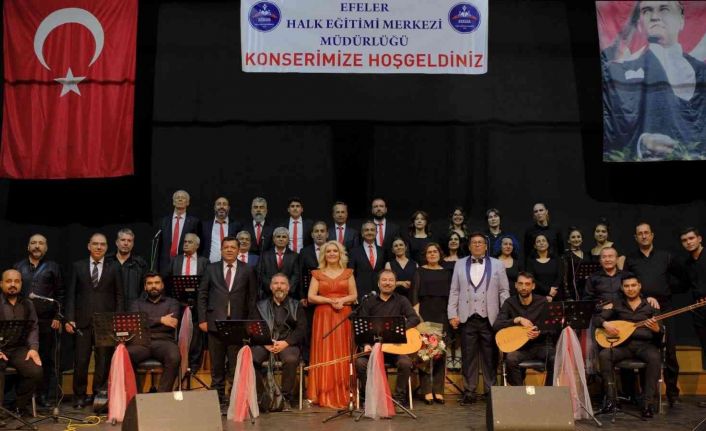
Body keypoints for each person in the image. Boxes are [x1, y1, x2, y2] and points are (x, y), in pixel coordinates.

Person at [601, 1, 706, 160]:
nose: (655, 17)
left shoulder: (702, 71)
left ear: (681, 20)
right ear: (640, 25)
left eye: (664, 9)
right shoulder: (617, 73)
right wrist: (641, 144)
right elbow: (612, 129)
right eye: (647, 11)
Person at [624, 221, 685, 406]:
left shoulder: (666, 256)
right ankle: (645, 395)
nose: (644, 236)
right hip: (643, 310)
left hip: (665, 309)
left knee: (670, 352)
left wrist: (665, 291)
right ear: (635, 237)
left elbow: (683, 279)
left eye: (646, 233)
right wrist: (645, 298)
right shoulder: (631, 259)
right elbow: (627, 284)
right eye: (640, 233)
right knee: (647, 349)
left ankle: (672, 393)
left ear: (652, 235)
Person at [448, 232, 510, 405]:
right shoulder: (459, 264)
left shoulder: (498, 264)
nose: (477, 245)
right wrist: (452, 314)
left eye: (480, 242)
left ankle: (491, 392)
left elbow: (504, 291)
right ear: (469, 246)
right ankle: (470, 391)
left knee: (490, 357)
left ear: (485, 246)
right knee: (468, 357)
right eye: (474, 242)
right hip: (467, 317)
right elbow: (454, 291)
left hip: (490, 318)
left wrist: (504, 316)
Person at [65, 233, 124, 408]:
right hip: (82, 322)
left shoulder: (114, 267)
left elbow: (120, 296)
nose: (99, 247)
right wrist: (69, 318)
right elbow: (71, 295)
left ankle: (99, 394)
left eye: (102, 244)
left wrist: (117, 321)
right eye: (95, 244)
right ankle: (79, 396)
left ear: (106, 247)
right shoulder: (78, 266)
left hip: (106, 323)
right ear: (89, 246)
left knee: (103, 361)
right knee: (81, 360)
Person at [197, 236, 257, 405]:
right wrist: (202, 319)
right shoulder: (211, 268)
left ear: (239, 250)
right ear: (221, 250)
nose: (229, 250)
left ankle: (234, 398)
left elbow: (252, 298)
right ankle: (217, 399)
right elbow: (202, 295)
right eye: (226, 247)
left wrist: (249, 323)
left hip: (237, 325)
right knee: (216, 365)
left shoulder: (248, 270)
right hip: (214, 323)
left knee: (234, 364)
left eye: (233, 247)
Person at [594, 273, 661, 419]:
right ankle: (612, 401)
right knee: (605, 355)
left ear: (639, 286)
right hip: (624, 346)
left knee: (655, 357)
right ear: (622, 288)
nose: (630, 289)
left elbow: (661, 330)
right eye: (626, 286)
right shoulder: (617, 304)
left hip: (645, 346)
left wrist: (657, 329)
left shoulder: (650, 305)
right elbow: (597, 318)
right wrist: (605, 324)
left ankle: (647, 404)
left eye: (633, 285)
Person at [356, 269, 420, 407]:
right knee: (360, 363)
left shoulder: (402, 300)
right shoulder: (369, 302)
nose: (387, 283)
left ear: (395, 283)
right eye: (384, 280)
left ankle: (399, 398)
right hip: (374, 348)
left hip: (395, 348)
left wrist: (399, 329)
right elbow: (362, 326)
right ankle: (368, 397)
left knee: (405, 363)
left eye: (391, 280)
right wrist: (366, 344)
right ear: (378, 283)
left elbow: (414, 318)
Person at [13, 234, 63, 407]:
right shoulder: (18, 267)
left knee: (46, 360)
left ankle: (43, 395)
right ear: (28, 247)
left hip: (47, 321)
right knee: (24, 359)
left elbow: (60, 293)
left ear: (45, 248)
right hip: (23, 323)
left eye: (41, 243)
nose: (37, 246)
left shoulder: (53, 267)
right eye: (33, 243)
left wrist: (57, 316)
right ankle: (23, 397)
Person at [307, 240, 358, 409]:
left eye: (335, 251)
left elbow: (354, 295)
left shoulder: (348, 272)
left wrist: (342, 301)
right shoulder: (317, 273)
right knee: (325, 352)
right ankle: (324, 393)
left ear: (340, 254)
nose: (331, 254)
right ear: (324, 255)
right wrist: (330, 301)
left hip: (343, 315)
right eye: (328, 251)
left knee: (342, 351)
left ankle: (344, 392)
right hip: (323, 317)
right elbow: (311, 297)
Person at [251, 273, 307, 411]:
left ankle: (285, 398)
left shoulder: (296, 305)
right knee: (251, 358)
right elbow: (253, 327)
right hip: (266, 343)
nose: (279, 286)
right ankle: (262, 398)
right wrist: (265, 342)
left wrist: (286, 342)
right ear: (271, 287)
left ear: (288, 288)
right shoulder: (260, 305)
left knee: (290, 359)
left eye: (283, 283)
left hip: (287, 343)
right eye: (276, 283)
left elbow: (302, 329)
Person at [494, 272, 554, 386]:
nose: (524, 287)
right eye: (520, 284)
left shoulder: (542, 302)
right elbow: (497, 325)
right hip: (519, 349)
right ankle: (520, 392)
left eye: (527, 284)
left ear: (533, 286)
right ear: (516, 285)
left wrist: (540, 332)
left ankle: (548, 391)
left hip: (540, 346)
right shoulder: (510, 303)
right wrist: (516, 320)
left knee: (554, 358)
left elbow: (553, 328)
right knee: (511, 359)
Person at [126, 272, 181, 393]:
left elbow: (173, 322)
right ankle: (137, 396)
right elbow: (136, 322)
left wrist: (145, 320)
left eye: (157, 283)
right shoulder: (136, 303)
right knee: (125, 355)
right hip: (141, 342)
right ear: (145, 287)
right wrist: (161, 320)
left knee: (174, 357)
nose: (153, 286)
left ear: (162, 285)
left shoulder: (172, 302)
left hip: (164, 341)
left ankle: (161, 397)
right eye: (150, 283)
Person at [411, 243, 451, 404]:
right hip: (425, 315)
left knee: (441, 353)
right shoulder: (419, 271)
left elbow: (451, 296)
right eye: (429, 252)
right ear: (425, 255)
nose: (432, 254)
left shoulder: (447, 272)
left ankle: (439, 391)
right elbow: (414, 295)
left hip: (443, 315)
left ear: (440, 254)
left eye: (435, 251)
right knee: (425, 354)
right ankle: (427, 391)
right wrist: (417, 318)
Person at [0, 270, 43, 417]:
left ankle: (19, 406)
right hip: (0, 350)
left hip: (18, 348)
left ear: (21, 284)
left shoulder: (28, 304)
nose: (13, 284)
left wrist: (33, 348)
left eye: (16, 281)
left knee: (35, 371)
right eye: (8, 281)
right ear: (1, 284)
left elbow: (33, 327)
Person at [164, 232, 208, 372]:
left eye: (190, 242)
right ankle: (178, 363)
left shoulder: (204, 262)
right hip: (179, 302)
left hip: (197, 302)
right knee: (177, 333)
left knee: (196, 335)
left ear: (197, 245)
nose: (186, 244)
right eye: (185, 242)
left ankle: (194, 365)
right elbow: (167, 280)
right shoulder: (175, 260)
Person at [679, 227, 706, 406]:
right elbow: (684, 286)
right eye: (684, 240)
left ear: (699, 238)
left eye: (691, 238)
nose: (688, 242)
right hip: (700, 311)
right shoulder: (688, 263)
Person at [157, 190, 201, 272]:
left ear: (188, 202)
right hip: (164, 264)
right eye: (177, 198)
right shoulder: (163, 221)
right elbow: (158, 246)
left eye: (183, 198)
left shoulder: (194, 222)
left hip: (184, 263)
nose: (180, 199)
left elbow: (197, 245)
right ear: (173, 202)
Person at [257, 228, 301, 300]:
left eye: (284, 237)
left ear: (288, 240)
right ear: (273, 239)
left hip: (288, 296)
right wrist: (273, 288)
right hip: (268, 295)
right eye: (278, 236)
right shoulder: (264, 255)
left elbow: (296, 275)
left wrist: (286, 289)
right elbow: (261, 274)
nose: (281, 239)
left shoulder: (295, 256)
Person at [109, 228, 148, 306]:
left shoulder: (141, 264)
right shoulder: (107, 262)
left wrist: (139, 305)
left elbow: (145, 289)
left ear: (133, 244)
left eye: (129, 241)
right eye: (123, 240)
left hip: (134, 308)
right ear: (117, 242)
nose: (126, 243)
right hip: (110, 308)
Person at [348, 221, 386, 301]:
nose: (369, 232)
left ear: (376, 233)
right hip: (360, 294)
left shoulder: (383, 251)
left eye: (372, 230)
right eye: (366, 230)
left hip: (380, 294)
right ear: (362, 233)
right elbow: (351, 274)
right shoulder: (353, 252)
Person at [201, 197, 242, 263]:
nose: (221, 206)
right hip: (209, 265)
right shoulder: (205, 226)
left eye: (224, 204)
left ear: (228, 208)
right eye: (219, 204)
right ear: (214, 207)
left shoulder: (236, 226)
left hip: (230, 264)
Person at [525, 234, 564, 302]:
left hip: (556, 295)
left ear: (548, 244)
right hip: (538, 297)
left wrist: (552, 293)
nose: (541, 243)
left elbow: (560, 276)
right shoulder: (530, 261)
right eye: (538, 241)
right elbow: (532, 279)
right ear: (535, 246)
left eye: (543, 240)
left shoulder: (556, 259)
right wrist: (548, 290)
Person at [562, 226, 588, 300]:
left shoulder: (587, 255)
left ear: (582, 239)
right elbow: (564, 277)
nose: (576, 239)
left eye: (578, 237)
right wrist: (567, 295)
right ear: (568, 240)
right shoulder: (566, 255)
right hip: (572, 291)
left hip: (587, 291)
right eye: (573, 237)